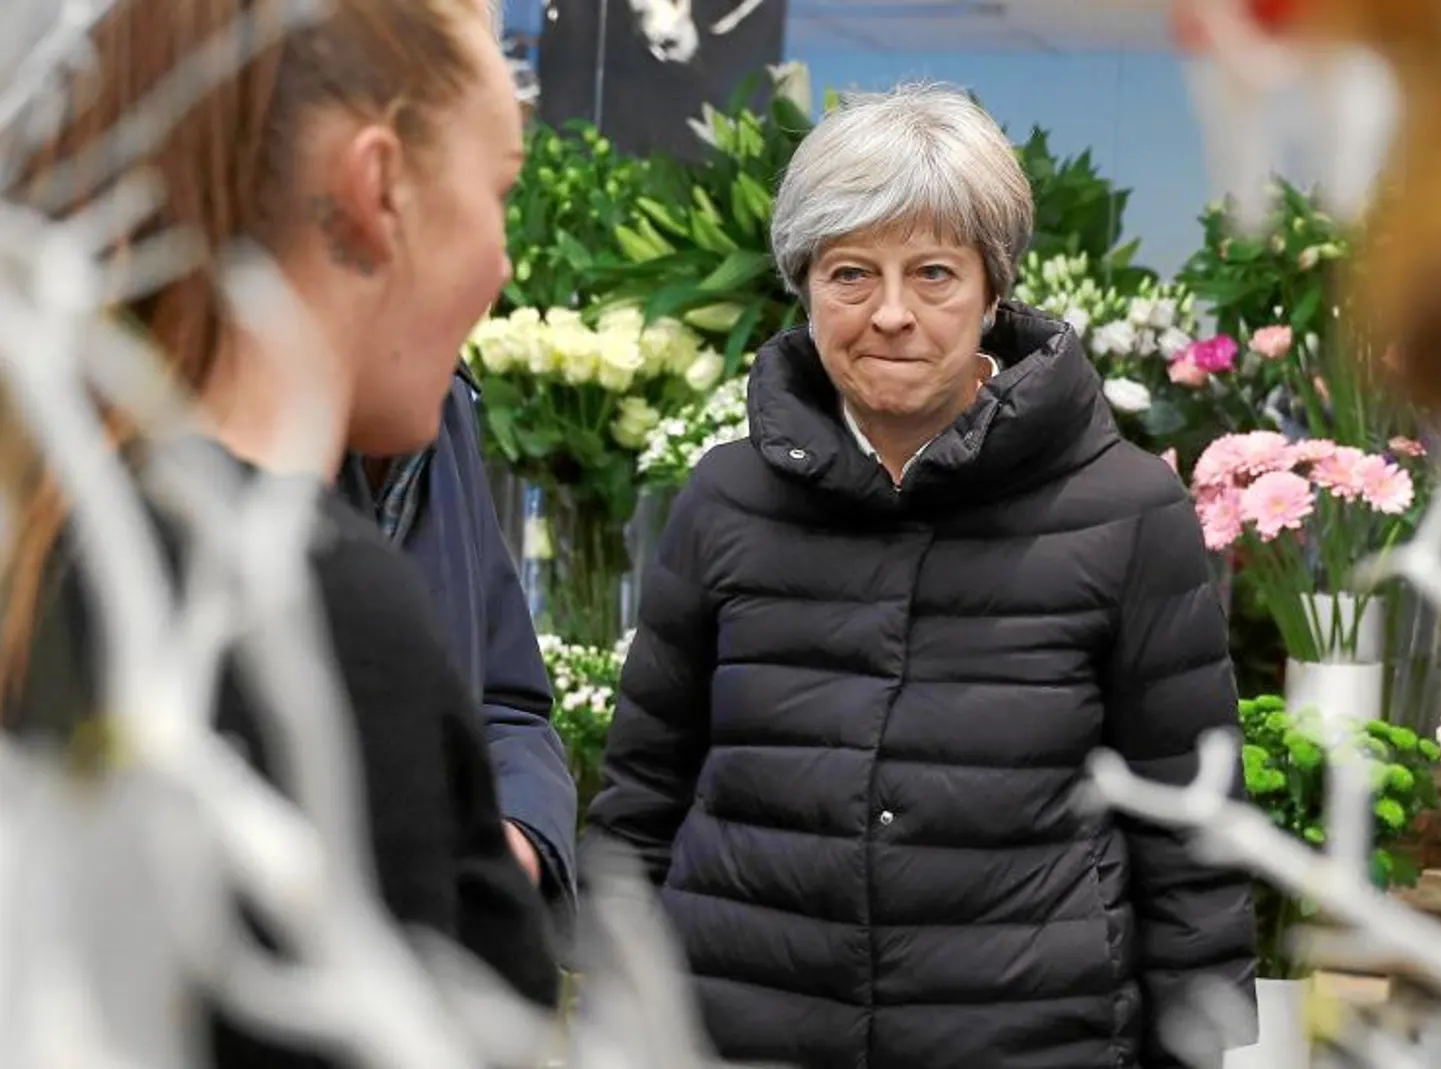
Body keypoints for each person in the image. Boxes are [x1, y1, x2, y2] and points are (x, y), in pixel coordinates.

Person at [586, 83, 1257, 1069]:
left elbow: (1189, 827)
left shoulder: (1123, 511)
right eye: (850, 273)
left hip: (1032, 1039)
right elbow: (643, 792)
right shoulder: (724, 499)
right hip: (739, 1032)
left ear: (993, 291)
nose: (890, 314)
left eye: (934, 272)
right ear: (802, 285)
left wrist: (1197, 1045)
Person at [0, 0, 559, 1063]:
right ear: (378, 187)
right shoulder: (308, 610)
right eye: (500, 191)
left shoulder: (62, 535)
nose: (500, 261)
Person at [338, 368, 579, 921]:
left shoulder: (444, 406)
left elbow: (508, 703)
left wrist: (522, 834)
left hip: (428, 951)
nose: (499, 277)